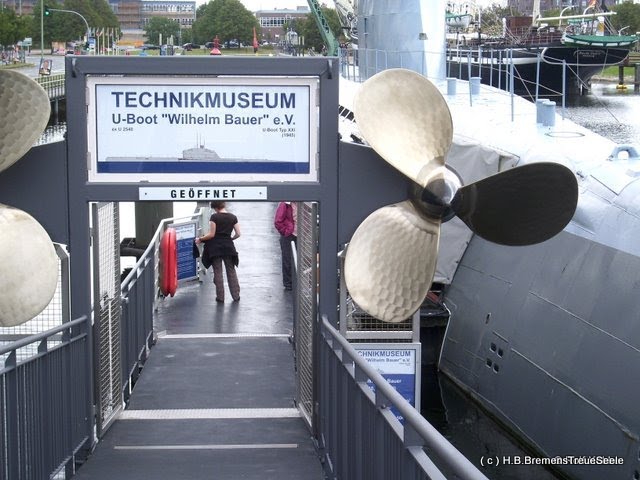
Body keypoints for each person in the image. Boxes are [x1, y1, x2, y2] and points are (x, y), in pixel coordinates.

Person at [195, 201, 241, 303]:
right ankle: (236, 296)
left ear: (215, 208)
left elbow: (212, 235)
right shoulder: (233, 217)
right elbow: (238, 233)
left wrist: (201, 239)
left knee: (218, 272)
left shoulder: (214, 217)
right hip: (228, 247)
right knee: (231, 271)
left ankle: (220, 297)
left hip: (215, 248)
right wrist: (231, 239)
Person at [274, 202, 297, 291]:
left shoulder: (302, 203)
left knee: (298, 259)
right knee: (287, 259)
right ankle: (288, 283)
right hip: (289, 235)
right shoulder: (285, 204)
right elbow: (278, 221)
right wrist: (285, 231)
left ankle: (295, 282)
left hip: (300, 235)